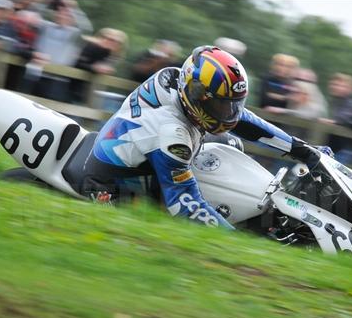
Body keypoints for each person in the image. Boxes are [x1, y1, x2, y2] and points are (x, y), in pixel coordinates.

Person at [84, 46, 331, 229]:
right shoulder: (172, 131)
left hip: (145, 155)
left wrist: (304, 150)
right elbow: (184, 203)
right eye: (223, 106)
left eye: (233, 105)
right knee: (151, 231)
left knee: (232, 144)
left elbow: (248, 123)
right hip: (110, 185)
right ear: (197, 95)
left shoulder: (177, 79)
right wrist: (234, 241)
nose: (229, 114)